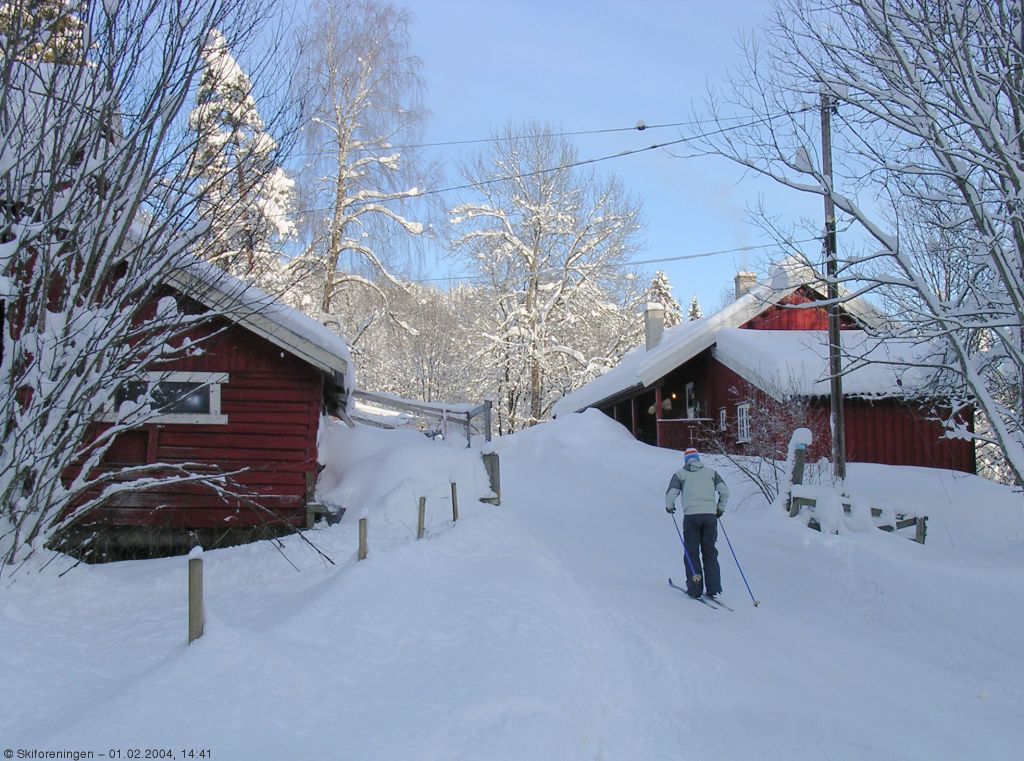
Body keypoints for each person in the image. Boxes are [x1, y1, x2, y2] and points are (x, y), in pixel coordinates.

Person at [665, 447, 730, 599]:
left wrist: (670, 507)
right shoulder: (711, 473)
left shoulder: (680, 474)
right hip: (710, 516)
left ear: (685, 460)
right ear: (698, 459)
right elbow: (725, 492)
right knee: (710, 552)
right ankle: (714, 588)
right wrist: (720, 509)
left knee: (692, 552)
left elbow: (671, 494)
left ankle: (694, 589)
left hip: (691, 517)